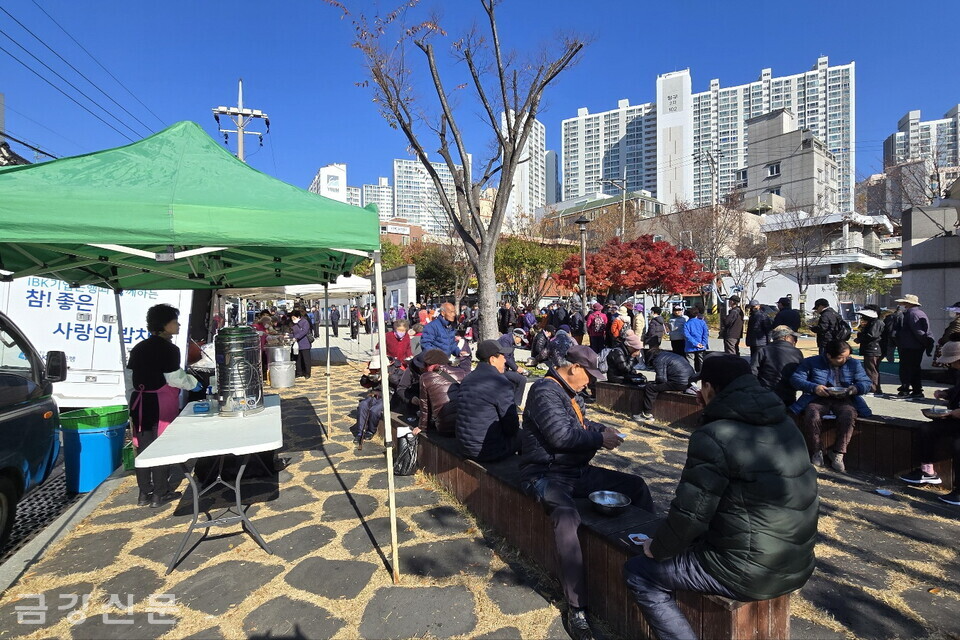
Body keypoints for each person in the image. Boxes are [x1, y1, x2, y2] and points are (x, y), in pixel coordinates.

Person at [624, 355, 818, 640]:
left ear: (710, 388)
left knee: (639, 572)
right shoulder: (785, 422)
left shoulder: (714, 436)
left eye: (701, 387)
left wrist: (659, 548)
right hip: (797, 561)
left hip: (746, 571)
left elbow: (691, 514)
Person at [520, 345, 653, 640]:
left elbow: (578, 424)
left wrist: (602, 428)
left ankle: (649, 560)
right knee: (567, 517)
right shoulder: (545, 390)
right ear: (574, 368)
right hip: (545, 474)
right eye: (589, 375)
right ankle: (577, 607)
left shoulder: (569, 393)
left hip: (575, 471)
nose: (590, 382)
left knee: (636, 486)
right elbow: (562, 436)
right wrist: (599, 439)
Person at [126, 304, 201, 507]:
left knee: (143, 447)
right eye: (174, 321)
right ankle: (160, 493)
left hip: (139, 402)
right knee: (161, 446)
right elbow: (174, 378)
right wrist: (194, 384)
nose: (178, 325)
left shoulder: (139, 347)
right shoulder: (169, 349)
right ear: (164, 324)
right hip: (160, 403)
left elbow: (130, 377)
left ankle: (144, 494)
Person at [790, 339, 872, 471]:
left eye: (847, 356)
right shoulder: (812, 362)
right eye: (840, 358)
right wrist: (814, 387)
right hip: (817, 398)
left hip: (844, 398)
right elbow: (796, 379)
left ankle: (838, 452)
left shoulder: (854, 364)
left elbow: (866, 383)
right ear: (829, 355)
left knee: (849, 414)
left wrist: (854, 389)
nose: (845, 360)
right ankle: (816, 451)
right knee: (812, 414)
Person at [898, 340, 960, 504]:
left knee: (958, 445)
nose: (951, 366)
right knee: (926, 429)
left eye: (952, 362)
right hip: (954, 418)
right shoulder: (958, 372)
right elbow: (957, 391)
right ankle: (927, 471)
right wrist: (946, 393)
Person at [454, 340, 520, 461]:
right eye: (502, 356)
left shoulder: (468, 378)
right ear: (492, 359)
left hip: (463, 445)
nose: (505, 360)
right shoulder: (500, 383)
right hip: (487, 450)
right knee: (527, 436)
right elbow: (511, 426)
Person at [635, 347, 695, 421]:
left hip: (679, 383)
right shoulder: (669, 355)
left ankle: (646, 414)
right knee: (654, 385)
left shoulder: (658, 359)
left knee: (650, 388)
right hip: (689, 381)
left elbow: (661, 379)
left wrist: (652, 383)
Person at [417, 349, 466, 435]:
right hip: (463, 425)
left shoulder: (426, 377)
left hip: (445, 428)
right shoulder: (461, 372)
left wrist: (422, 427)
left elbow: (425, 407)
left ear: (430, 365)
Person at [752, 325, 804, 406]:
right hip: (788, 396)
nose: (795, 341)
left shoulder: (763, 350)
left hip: (765, 395)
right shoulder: (797, 352)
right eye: (793, 337)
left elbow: (752, 373)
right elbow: (801, 374)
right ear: (786, 337)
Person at [894, 294, 933, 398]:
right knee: (914, 368)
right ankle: (916, 390)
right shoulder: (918, 313)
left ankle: (906, 389)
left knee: (907, 369)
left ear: (908, 303)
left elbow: (918, 331)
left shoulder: (912, 314)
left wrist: (924, 342)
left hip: (910, 346)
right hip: (915, 346)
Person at [854, 306, 884, 396]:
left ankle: (873, 389)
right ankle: (875, 388)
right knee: (871, 369)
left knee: (871, 370)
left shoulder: (876, 322)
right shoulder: (873, 322)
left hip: (873, 349)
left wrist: (860, 338)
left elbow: (872, 335)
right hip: (871, 348)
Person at [497, 329, 529, 407]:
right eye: (520, 339)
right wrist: (516, 368)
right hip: (499, 369)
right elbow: (506, 357)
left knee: (516, 379)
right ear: (517, 336)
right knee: (522, 380)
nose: (520, 342)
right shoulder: (506, 340)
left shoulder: (509, 341)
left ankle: (513, 402)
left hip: (504, 368)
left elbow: (511, 357)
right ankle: (516, 404)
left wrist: (516, 368)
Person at [745, 299, 773, 368]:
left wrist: (768, 341)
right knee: (754, 360)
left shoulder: (763, 316)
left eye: (754, 306)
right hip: (753, 342)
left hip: (761, 343)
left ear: (759, 306)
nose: (752, 308)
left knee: (758, 361)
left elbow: (768, 330)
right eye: (751, 306)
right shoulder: (752, 316)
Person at [683, 308, 709, 373]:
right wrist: (703, 343)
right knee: (702, 360)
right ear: (697, 314)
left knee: (690, 360)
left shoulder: (686, 324)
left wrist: (695, 343)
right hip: (701, 344)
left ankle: (692, 374)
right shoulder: (702, 322)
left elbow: (687, 335)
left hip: (690, 345)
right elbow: (705, 333)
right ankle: (703, 373)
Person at [290, 309, 313, 379]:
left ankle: (307, 373)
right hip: (296, 344)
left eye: (294, 318)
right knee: (297, 359)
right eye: (292, 318)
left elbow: (304, 331)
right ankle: (299, 372)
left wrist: (296, 337)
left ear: (298, 317)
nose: (293, 319)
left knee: (306, 359)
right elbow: (292, 332)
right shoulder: (293, 324)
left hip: (305, 343)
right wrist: (289, 336)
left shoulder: (305, 322)